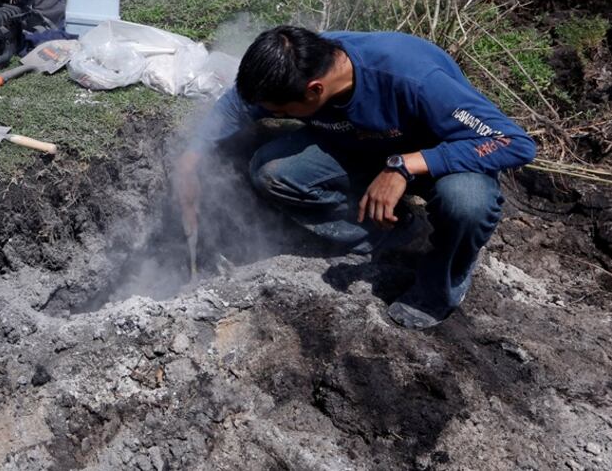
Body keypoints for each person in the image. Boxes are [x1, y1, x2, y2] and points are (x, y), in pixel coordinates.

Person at [176, 25, 536, 329]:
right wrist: (193, 157)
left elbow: (513, 142)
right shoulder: (299, 65)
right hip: (361, 149)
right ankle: (394, 235)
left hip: (439, 160)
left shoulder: (414, 77)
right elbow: (237, 104)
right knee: (273, 173)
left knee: (467, 203)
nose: (274, 114)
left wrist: (406, 165)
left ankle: (439, 286)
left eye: (283, 112)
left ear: (315, 90)